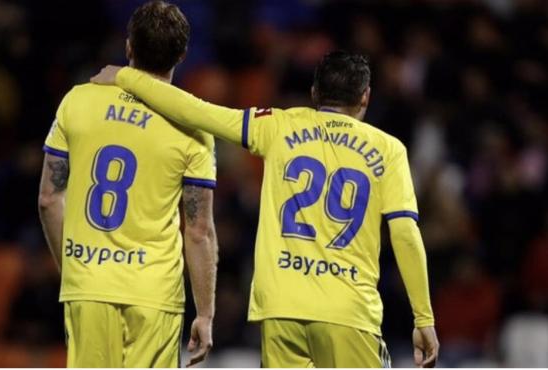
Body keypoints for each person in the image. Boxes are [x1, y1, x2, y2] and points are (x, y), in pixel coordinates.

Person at [91, 50, 439, 368]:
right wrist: (423, 318)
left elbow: (195, 110)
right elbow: (405, 235)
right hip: (348, 311)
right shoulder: (389, 151)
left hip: (280, 309)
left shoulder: (277, 125)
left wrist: (127, 77)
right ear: (365, 97)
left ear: (315, 93)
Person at [38, 1, 218, 367]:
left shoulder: (78, 100)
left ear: (128, 47)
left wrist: (72, 269)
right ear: (182, 55)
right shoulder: (192, 125)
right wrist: (206, 313)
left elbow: (48, 199)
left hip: (88, 281)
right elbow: (198, 231)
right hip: (154, 293)